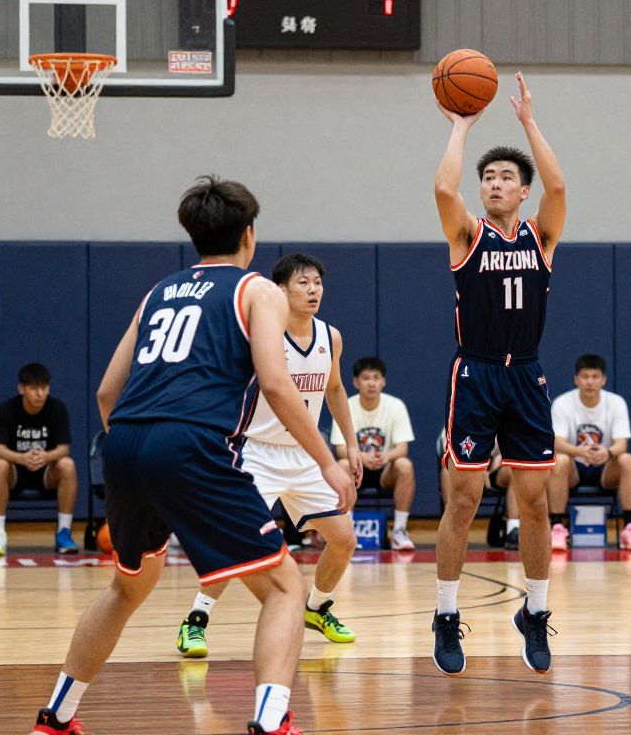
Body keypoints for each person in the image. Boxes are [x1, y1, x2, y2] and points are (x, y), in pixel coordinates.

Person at [28, 177, 355, 735]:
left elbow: (108, 391)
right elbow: (277, 384)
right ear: (249, 235)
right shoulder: (259, 292)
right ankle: (272, 722)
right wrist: (328, 460)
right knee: (284, 588)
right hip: (192, 443)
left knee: (126, 587)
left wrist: (143, 454)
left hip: (125, 440)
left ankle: (56, 716)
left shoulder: (158, 291)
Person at [432, 71, 566, 676]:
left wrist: (528, 124)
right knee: (463, 498)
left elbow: (559, 184)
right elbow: (441, 187)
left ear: (522, 191)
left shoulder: (541, 236)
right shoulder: (467, 235)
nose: (493, 183)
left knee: (534, 503)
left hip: (527, 376)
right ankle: (444, 614)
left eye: (505, 177)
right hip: (476, 374)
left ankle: (534, 613)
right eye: (487, 177)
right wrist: (461, 126)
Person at [174, 252, 364, 658]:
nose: (313, 290)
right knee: (233, 542)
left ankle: (316, 608)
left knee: (344, 540)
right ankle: (196, 620)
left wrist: (350, 443)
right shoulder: (264, 336)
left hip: (308, 457)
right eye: (303, 283)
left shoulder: (331, 336)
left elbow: (334, 390)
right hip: (258, 454)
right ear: (280, 290)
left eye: (317, 283)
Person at [550, 354, 631, 550]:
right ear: (576, 379)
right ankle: (557, 527)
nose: (590, 382)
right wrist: (579, 451)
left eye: (595, 377)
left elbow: (621, 444)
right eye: (585, 377)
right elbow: (556, 442)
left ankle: (630, 528)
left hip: (605, 467)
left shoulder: (616, 402)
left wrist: (608, 453)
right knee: (559, 460)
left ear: (603, 379)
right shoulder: (562, 403)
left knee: (627, 459)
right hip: (574, 468)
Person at [0, 363, 79, 555]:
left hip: (46, 472)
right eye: (33, 388)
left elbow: (64, 448)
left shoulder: (57, 408)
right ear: (21, 388)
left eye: (44, 388)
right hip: (15, 471)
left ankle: (64, 533)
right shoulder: (6, 410)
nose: (40, 394)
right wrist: (21, 458)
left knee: (67, 464)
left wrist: (46, 456)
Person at [331, 357, 416, 551]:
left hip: (385, 470)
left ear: (383, 382)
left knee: (404, 465)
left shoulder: (396, 406)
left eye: (376, 378)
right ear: (356, 382)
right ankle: (347, 530)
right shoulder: (345, 406)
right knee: (342, 464)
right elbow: (340, 448)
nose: (371, 383)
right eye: (366, 378)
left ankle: (399, 531)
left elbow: (402, 448)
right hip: (355, 469)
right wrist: (361, 457)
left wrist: (386, 456)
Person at [437, 429, 519, 549]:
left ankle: (513, 529)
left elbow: (506, 453)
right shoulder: (454, 424)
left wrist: (489, 470)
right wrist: (476, 472)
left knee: (513, 469)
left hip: (490, 473)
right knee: (446, 469)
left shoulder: (499, 423)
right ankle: (451, 525)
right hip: (465, 472)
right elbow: (449, 457)